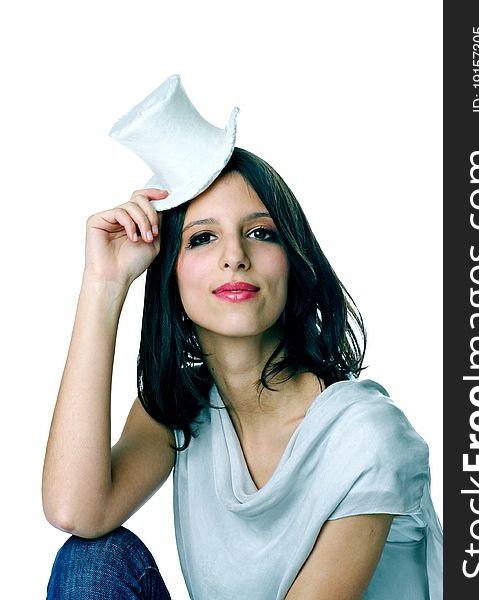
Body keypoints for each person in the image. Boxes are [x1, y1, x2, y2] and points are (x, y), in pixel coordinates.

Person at [42, 147, 443, 599]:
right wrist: (104, 283)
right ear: (169, 273)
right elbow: (76, 509)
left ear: (293, 261)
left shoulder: (365, 435)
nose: (235, 255)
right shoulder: (182, 408)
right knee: (93, 561)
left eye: (260, 232)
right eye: (201, 238)